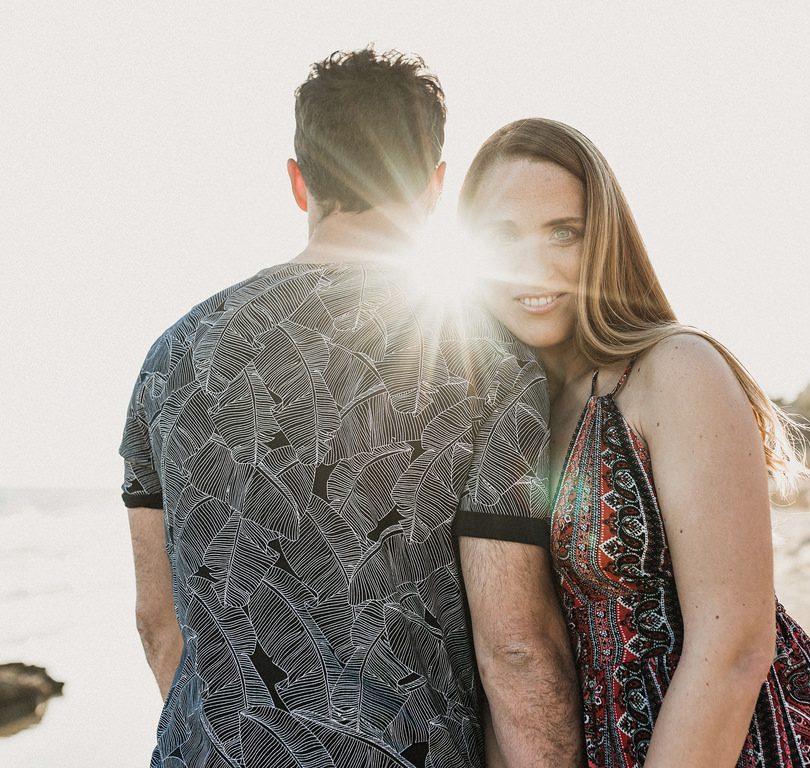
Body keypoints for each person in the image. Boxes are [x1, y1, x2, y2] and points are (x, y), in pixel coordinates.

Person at [119, 52, 580, 768]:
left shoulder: (172, 357)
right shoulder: (480, 359)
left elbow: (159, 624)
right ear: (434, 187)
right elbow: (515, 643)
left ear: (299, 182)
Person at [458, 118, 810, 768]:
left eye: (563, 233)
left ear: (603, 240)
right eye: (502, 235)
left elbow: (736, 647)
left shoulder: (675, 369)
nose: (532, 265)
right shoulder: (517, 409)